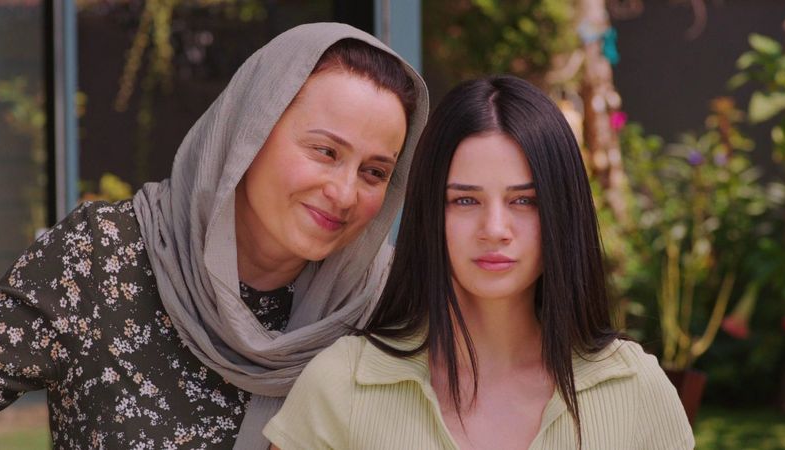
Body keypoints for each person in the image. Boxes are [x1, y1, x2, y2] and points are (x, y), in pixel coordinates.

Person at [0, 23, 429, 449]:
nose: (345, 193)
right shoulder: (102, 255)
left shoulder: (387, 305)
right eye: (325, 151)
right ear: (250, 130)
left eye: (375, 172)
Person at [263, 76, 694, 450]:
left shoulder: (635, 388)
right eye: (465, 200)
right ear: (429, 214)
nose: (495, 229)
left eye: (524, 201)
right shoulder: (341, 385)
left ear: (563, 212)